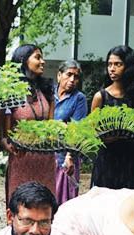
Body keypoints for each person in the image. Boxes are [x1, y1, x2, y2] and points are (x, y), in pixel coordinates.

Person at [90, 45, 134, 191]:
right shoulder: (101, 97)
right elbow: (90, 133)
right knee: (104, 198)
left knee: (128, 199)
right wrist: (110, 136)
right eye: (109, 64)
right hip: (107, 158)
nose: (112, 69)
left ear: (129, 66)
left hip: (131, 157)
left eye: (118, 64)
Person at [1, 44, 55, 203]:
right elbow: (5, 132)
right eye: (37, 57)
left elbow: (51, 125)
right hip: (22, 158)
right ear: (23, 60)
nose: (43, 61)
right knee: (21, 205)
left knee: (44, 204)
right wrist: (5, 141)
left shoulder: (46, 89)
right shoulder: (10, 92)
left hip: (45, 157)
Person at [53, 59, 88, 203]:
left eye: (76, 76)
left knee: (64, 200)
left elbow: (77, 130)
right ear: (59, 75)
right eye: (69, 74)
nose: (72, 80)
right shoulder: (49, 94)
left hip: (65, 155)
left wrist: (70, 156)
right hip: (46, 154)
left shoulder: (79, 99)